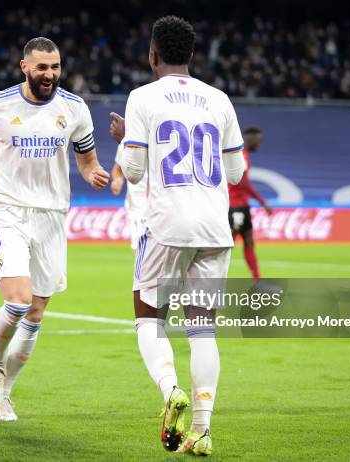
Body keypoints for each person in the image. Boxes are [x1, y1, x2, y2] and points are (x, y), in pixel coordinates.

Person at [0, 37, 109, 422]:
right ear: (25, 67)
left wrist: (94, 175)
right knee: (19, 300)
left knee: (37, 313)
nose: (50, 74)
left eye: (55, 67)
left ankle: (4, 393)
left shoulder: (74, 109)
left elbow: (87, 160)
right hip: (8, 210)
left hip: (52, 215)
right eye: (42, 67)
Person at [116, 16, 244, 456]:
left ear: (153, 54)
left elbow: (132, 171)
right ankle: (203, 431)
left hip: (168, 226)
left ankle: (171, 391)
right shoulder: (219, 99)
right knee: (202, 331)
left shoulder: (142, 98)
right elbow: (236, 171)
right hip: (215, 227)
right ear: (192, 55)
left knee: (149, 319)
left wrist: (129, 141)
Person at [228, 126, 272, 281]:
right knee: (227, 247)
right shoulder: (241, 155)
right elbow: (243, 183)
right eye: (258, 141)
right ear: (250, 138)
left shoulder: (242, 154)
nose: (259, 144)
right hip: (235, 207)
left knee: (248, 242)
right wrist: (262, 201)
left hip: (242, 206)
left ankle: (258, 280)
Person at [109, 113, 148, 252]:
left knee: (147, 267)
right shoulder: (129, 142)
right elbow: (118, 169)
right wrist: (118, 180)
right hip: (138, 209)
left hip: (159, 209)